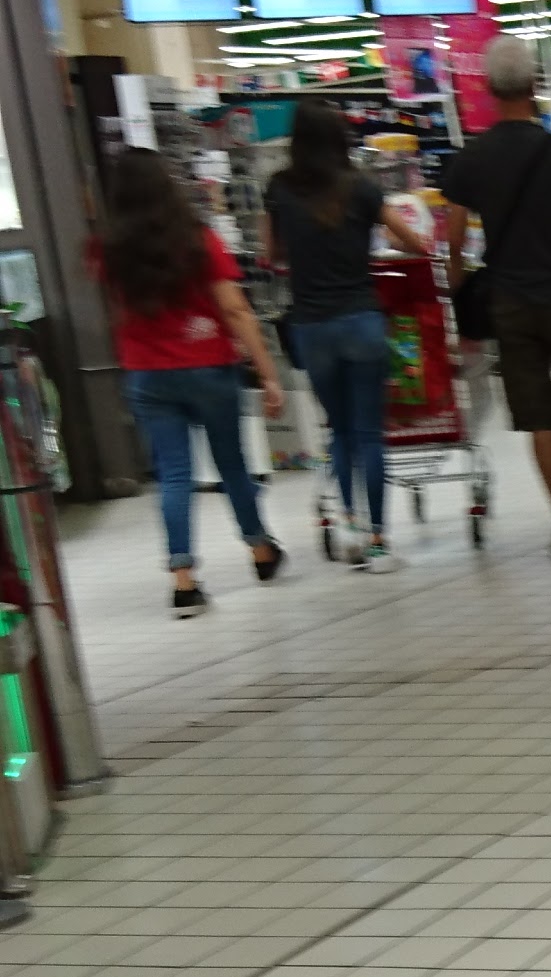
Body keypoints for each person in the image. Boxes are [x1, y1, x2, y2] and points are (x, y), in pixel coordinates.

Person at [441, 34, 551, 558]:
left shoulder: (471, 159)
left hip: (510, 303)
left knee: (538, 417)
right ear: (535, 85)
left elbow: (454, 241)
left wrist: (459, 292)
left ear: (488, 88)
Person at [93, 148, 287, 616]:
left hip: (147, 375)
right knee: (232, 465)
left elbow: (117, 310)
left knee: (173, 474)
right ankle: (260, 550)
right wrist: (268, 373)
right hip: (208, 369)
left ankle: (183, 581)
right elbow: (235, 309)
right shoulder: (198, 240)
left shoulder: (107, 251)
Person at [261, 98, 433, 568]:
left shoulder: (278, 188)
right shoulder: (361, 187)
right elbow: (414, 242)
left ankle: (352, 529)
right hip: (361, 320)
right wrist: (374, 246)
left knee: (339, 431)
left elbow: (271, 254)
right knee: (369, 433)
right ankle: (378, 542)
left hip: (312, 326)